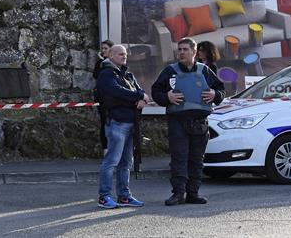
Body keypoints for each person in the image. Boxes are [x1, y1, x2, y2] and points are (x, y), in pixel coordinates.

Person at [152, 37, 225, 206]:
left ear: (194, 52)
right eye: (180, 49)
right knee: (179, 158)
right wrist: (167, 96)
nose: (182, 52)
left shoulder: (205, 70)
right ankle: (178, 193)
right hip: (178, 121)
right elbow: (156, 91)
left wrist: (215, 95)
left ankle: (193, 193)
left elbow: (221, 89)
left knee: (196, 159)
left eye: (185, 49)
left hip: (200, 122)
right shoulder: (170, 71)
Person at [95, 44, 148, 210]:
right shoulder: (106, 74)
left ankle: (124, 196)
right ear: (110, 55)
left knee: (126, 163)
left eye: (124, 54)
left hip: (131, 123)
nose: (123, 56)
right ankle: (104, 197)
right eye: (119, 54)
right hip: (117, 123)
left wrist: (142, 97)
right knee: (111, 162)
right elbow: (116, 91)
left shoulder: (128, 75)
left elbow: (140, 91)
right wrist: (139, 96)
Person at [92, 40, 114, 154]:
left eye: (105, 48)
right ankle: (106, 149)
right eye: (102, 48)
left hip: (114, 97)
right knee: (104, 122)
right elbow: (96, 75)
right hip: (102, 98)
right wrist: (102, 61)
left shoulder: (115, 62)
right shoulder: (100, 63)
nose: (103, 50)